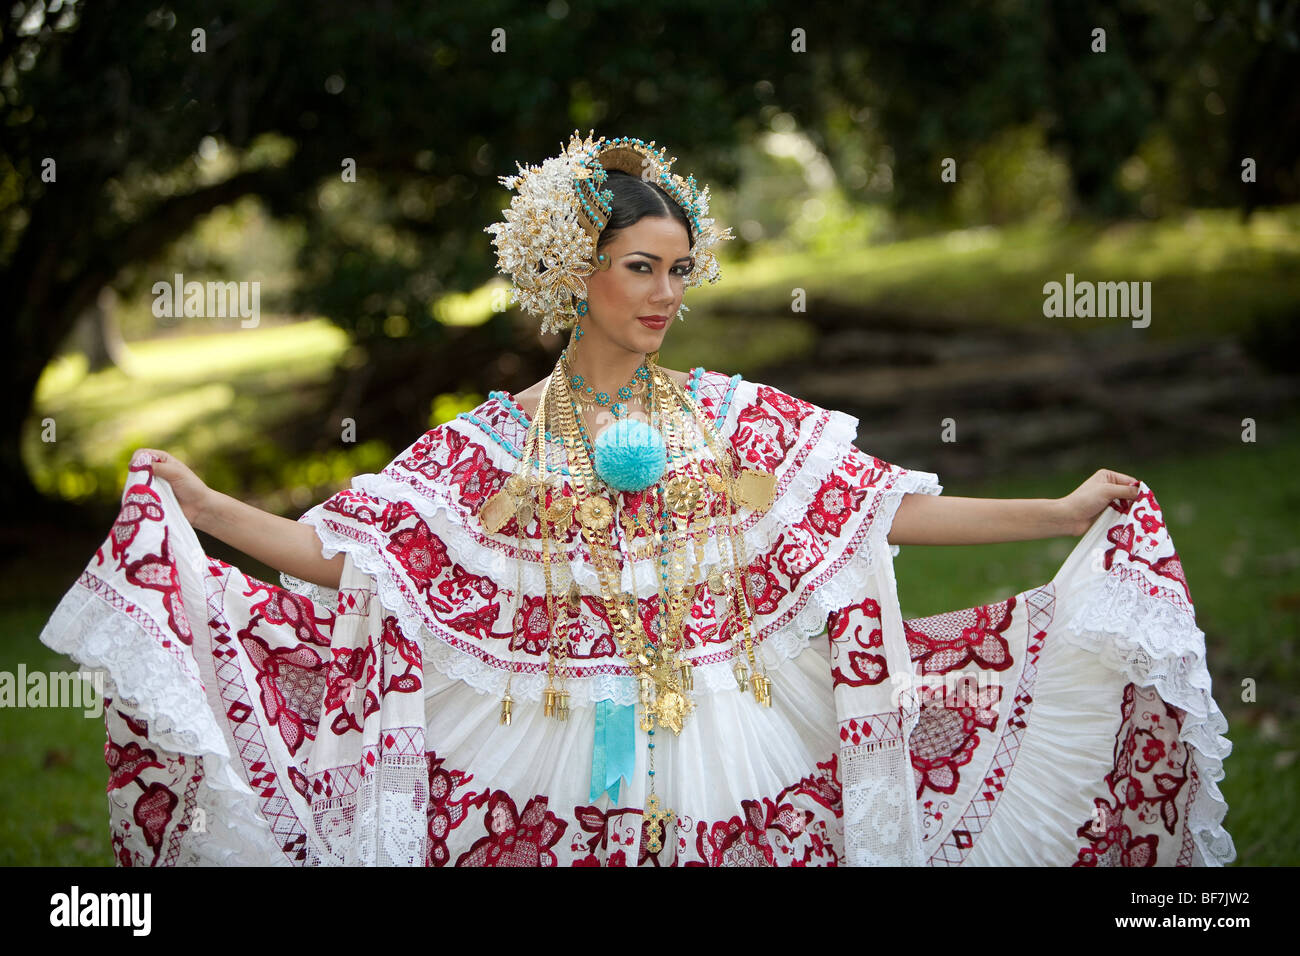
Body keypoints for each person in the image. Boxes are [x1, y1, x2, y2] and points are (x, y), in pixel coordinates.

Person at [40, 130, 1235, 867]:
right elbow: (340, 553)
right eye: (639, 268)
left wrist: (1059, 510)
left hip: (726, 735)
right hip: (546, 748)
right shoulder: (489, 443)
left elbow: (880, 512)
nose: (667, 293)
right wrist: (198, 503)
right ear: (574, 274)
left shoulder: (725, 413)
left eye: (679, 268)